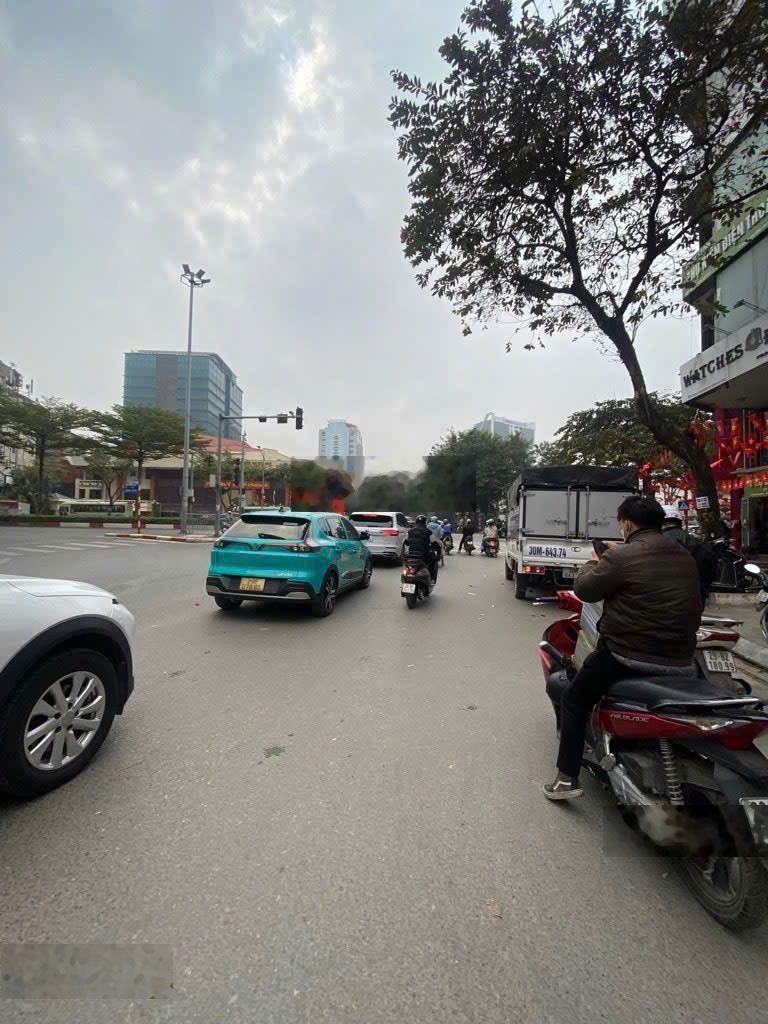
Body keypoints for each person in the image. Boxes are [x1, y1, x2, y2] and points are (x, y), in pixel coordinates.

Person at [543, 495, 701, 801]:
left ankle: (566, 779)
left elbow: (585, 589)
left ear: (627, 524)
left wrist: (595, 561)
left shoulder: (621, 557)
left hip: (627, 654)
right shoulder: (685, 556)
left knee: (573, 698)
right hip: (682, 657)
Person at [662, 512, 717, 606]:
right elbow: (709, 566)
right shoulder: (695, 540)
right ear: (680, 523)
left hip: (666, 595)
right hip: (693, 594)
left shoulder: (656, 541)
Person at [406, 515, 439, 583]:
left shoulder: (410, 531)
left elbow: (407, 542)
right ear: (425, 523)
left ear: (416, 522)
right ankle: (432, 579)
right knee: (434, 561)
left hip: (411, 555)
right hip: (424, 556)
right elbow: (434, 543)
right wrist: (438, 551)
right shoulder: (428, 531)